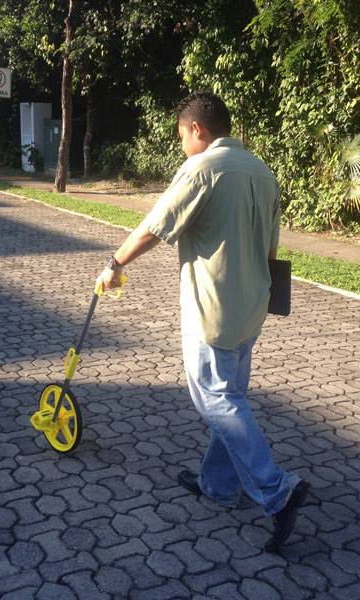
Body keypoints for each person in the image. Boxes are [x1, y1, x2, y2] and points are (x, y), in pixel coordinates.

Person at [96, 91, 308, 551]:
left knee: (214, 399)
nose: (182, 147)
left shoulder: (203, 169)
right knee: (229, 397)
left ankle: (276, 489)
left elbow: (157, 224)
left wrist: (116, 262)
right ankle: (218, 485)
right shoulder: (263, 172)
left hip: (212, 308)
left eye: (182, 137)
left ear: (197, 129)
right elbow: (271, 250)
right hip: (252, 306)